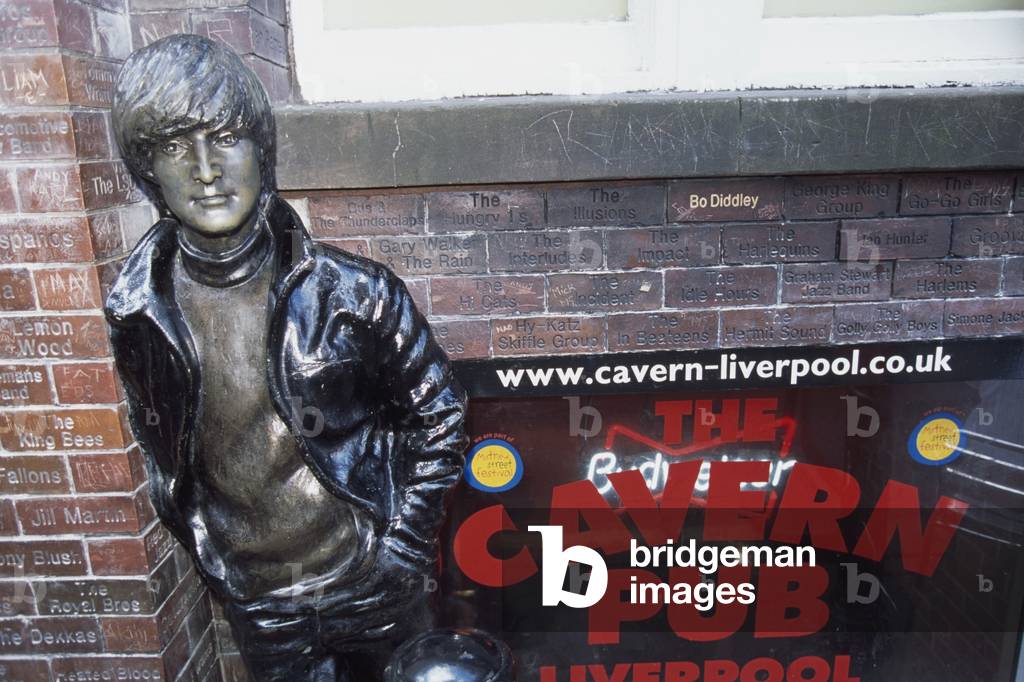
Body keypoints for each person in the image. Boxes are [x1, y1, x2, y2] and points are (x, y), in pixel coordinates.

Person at [105, 34, 468, 681]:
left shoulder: (357, 292)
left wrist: (403, 546)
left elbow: (440, 414)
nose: (206, 169)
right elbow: (166, 452)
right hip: (261, 600)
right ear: (147, 171)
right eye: (172, 147)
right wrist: (218, 563)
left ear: (261, 149)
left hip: (370, 576)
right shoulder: (139, 313)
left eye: (224, 137)